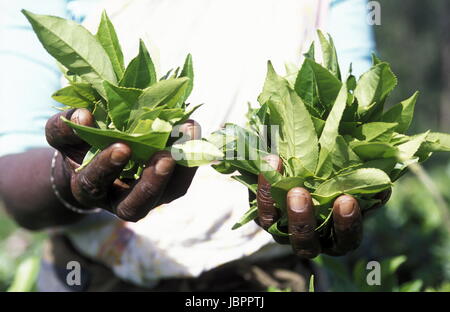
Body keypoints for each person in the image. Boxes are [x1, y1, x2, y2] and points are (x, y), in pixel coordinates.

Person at [0, 0, 385, 291]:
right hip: (95, 273)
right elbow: (15, 175)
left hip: (270, 276)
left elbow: (350, 110)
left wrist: (338, 195)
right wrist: (71, 176)